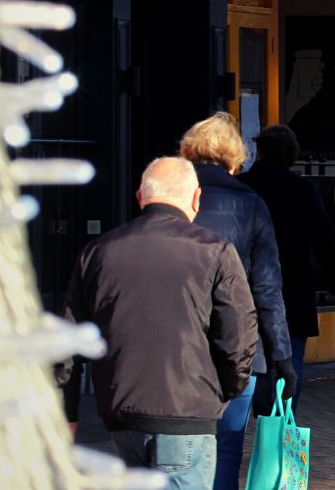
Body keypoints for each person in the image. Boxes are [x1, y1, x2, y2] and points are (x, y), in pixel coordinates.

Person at [62, 158, 257, 490]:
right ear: (196, 199)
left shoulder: (98, 252)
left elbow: (67, 343)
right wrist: (224, 392)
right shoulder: (215, 252)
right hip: (188, 415)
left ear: (141, 197)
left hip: (122, 415)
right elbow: (238, 335)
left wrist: (66, 411)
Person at [178, 113, 293, 490]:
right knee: (226, 450)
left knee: (180, 448)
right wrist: (282, 356)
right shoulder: (252, 205)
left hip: (180, 344)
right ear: (234, 158)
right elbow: (267, 288)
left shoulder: (173, 200)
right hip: (240, 346)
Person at [238, 125, 335, 397]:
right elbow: (326, 238)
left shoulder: (241, 186)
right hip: (292, 287)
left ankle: (251, 414)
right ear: (292, 155)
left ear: (258, 151)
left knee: (246, 355)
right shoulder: (302, 189)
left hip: (244, 285)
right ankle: (282, 427)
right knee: (291, 354)